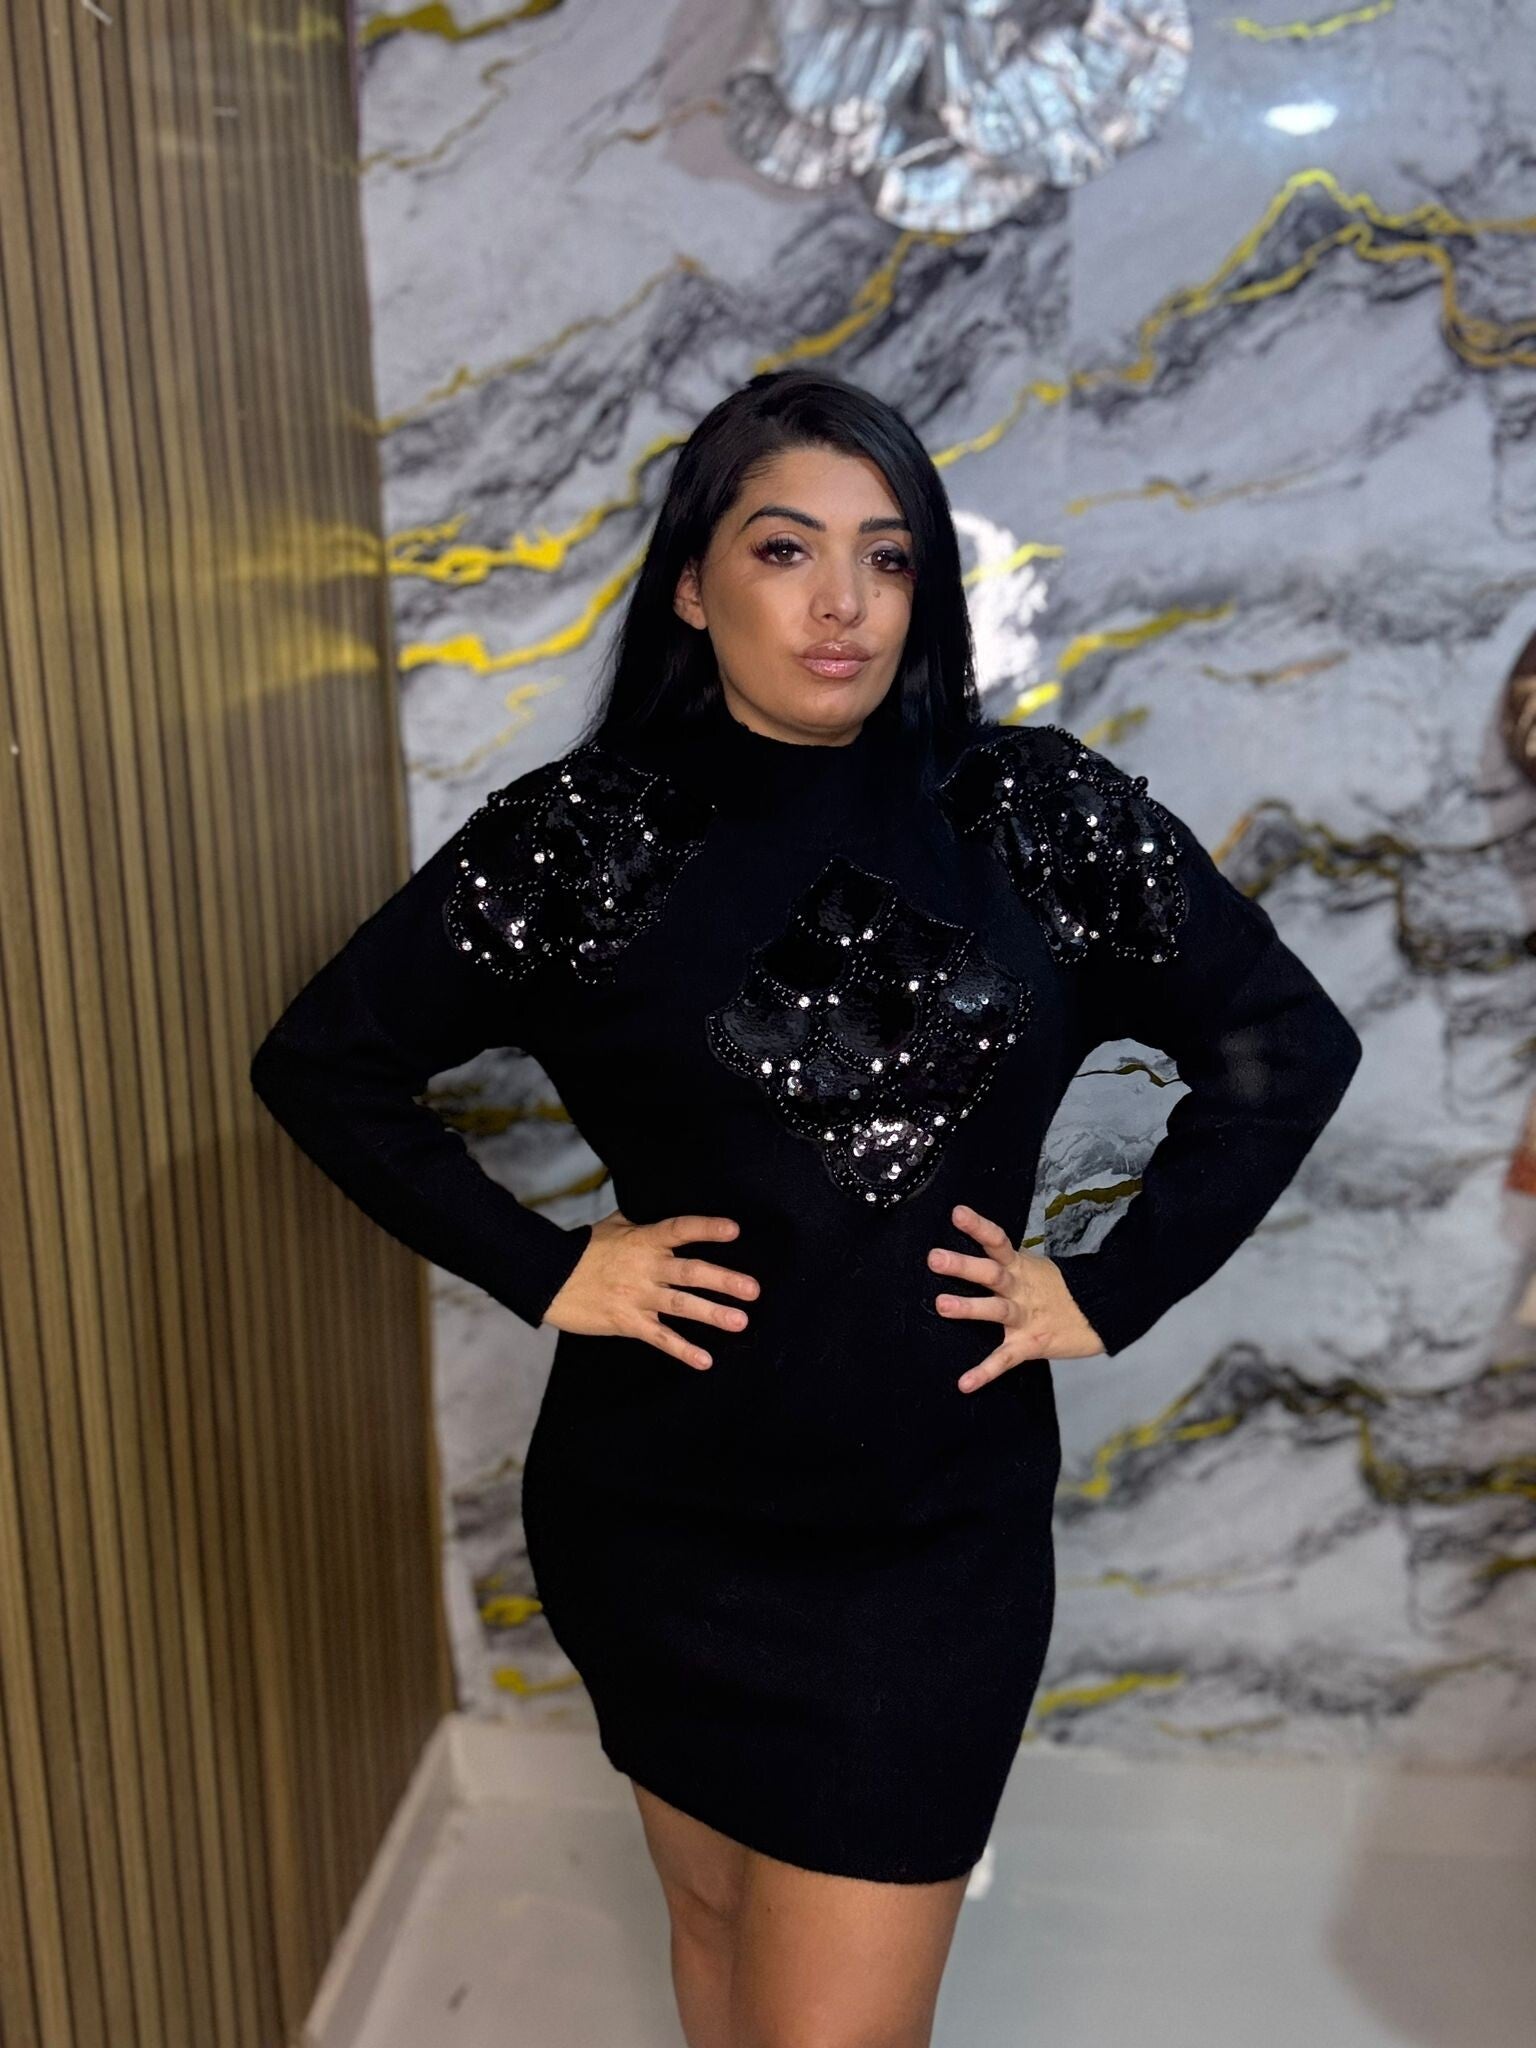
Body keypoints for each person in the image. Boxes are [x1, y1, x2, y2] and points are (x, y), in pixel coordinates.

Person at [249, 366, 1363, 2048]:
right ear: (694, 587)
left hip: (931, 1546)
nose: (844, 601)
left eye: (887, 555)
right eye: (786, 550)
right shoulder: (584, 841)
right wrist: (547, 1268)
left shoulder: (1032, 815)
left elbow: (1286, 1042)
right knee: (711, 1935)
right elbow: (325, 1062)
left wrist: (1108, 1283)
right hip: (654, 1520)